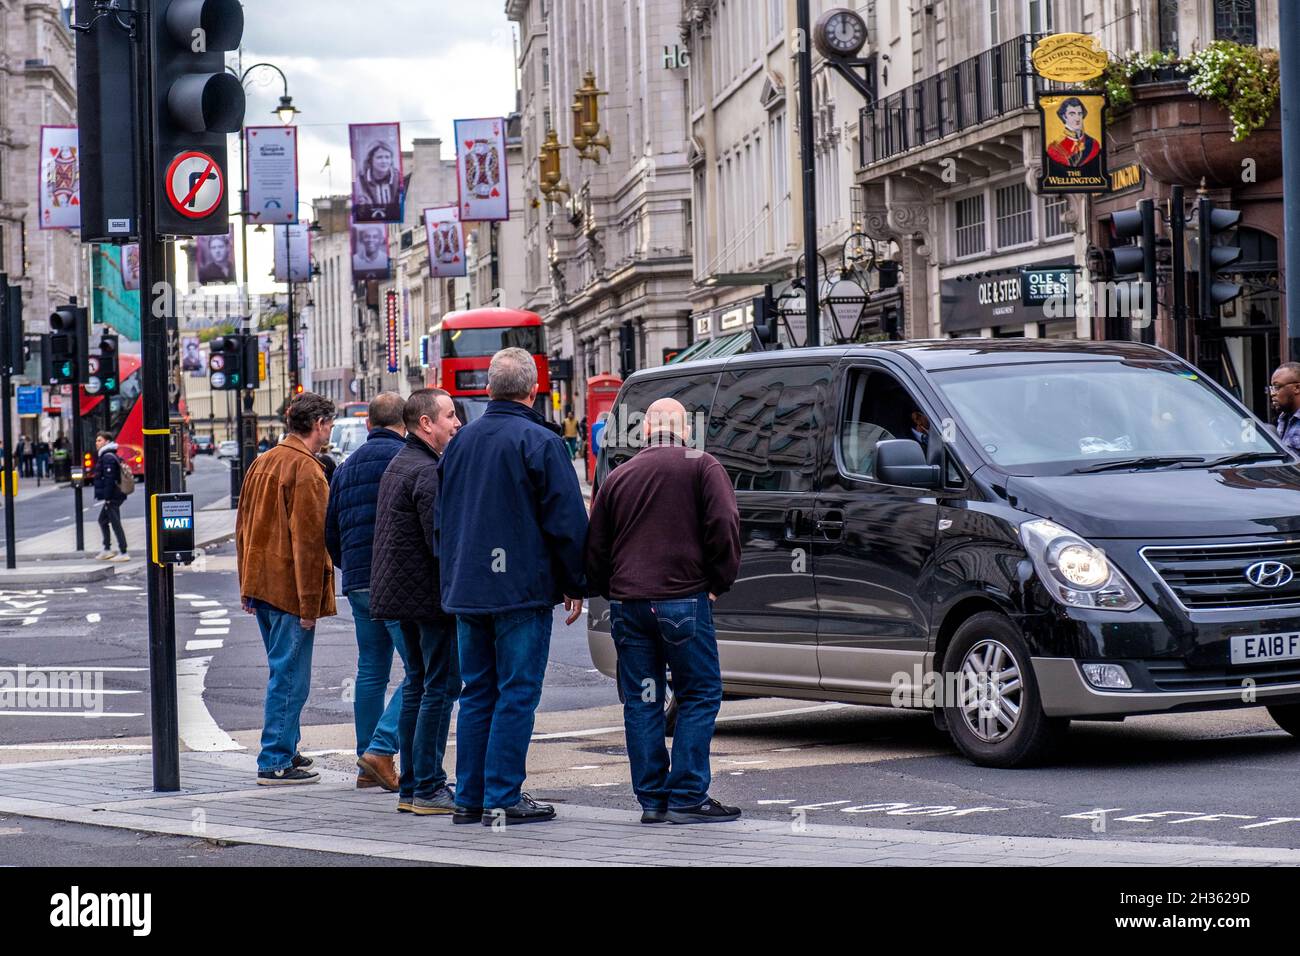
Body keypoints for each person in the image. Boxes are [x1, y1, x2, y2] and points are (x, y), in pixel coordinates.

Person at [437, 347, 589, 825]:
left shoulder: (459, 443)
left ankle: (470, 798)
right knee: (517, 691)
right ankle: (503, 795)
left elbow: (443, 520)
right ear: (533, 388)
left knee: (478, 691)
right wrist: (576, 582)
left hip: (468, 587)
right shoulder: (541, 441)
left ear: (487, 389)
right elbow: (567, 521)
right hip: (519, 589)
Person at [584, 398, 742, 824]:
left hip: (628, 604)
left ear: (646, 430)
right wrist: (718, 582)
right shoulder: (702, 465)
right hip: (683, 599)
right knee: (699, 693)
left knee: (641, 700)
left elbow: (595, 545)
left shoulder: (619, 476)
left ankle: (653, 800)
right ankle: (688, 795)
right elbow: (725, 523)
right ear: (685, 430)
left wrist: (607, 589)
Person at [236, 392, 338, 786]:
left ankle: (287, 748)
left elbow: (243, 528)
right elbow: (310, 543)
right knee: (291, 676)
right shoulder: (307, 471)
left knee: (286, 671)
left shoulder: (262, 462)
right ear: (319, 425)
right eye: (328, 423)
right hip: (290, 591)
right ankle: (275, 758)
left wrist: (246, 586)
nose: (328, 430)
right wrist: (310, 604)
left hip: (262, 585)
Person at [371, 389, 462, 815]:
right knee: (439, 687)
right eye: (449, 416)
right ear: (425, 424)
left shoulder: (400, 463)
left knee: (418, 685)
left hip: (399, 595)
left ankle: (411, 786)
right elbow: (440, 542)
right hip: (427, 599)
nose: (457, 422)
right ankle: (428, 784)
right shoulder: (428, 471)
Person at [324, 392, 410, 792]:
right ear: (404, 423)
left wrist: (353, 570)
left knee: (371, 671)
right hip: (397, 581)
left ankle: (366, 765)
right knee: (425, 671)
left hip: (358, 581)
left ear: (369, 425)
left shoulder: (346, 467)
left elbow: (331, 532)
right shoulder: (409, 460)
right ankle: (380, 748)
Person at [91, 431, 130, 562]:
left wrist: (107, 497)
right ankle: (107, 549)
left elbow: (109, 479)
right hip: (115, 495)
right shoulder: (108, 455)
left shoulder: (107, 457)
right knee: (103, 520)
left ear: (107, 442)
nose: (97, 443)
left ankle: (123, 551)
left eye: (99, 440)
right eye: (97, 440)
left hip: (113, 496)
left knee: (115, 522)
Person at [1046, 96, 1102, 176]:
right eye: (1072, 114)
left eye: (1079, 114)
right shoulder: (1054, 148)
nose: (1077, 118)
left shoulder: (1094, 143)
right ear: (1064, 117)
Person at [355, 141, 401, 221]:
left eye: (387, 157)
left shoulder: (398, 179)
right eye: (379, 157)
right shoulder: (360, 180)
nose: (384, 161)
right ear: (370, 160)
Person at [1270, 362, 1300, 456]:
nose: (1272, 393)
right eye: (1272, 388)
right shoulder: (1283, 418)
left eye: (1277, 387)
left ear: (1297, 388)